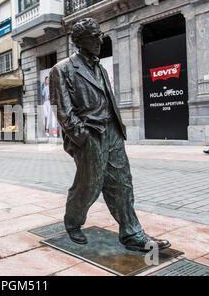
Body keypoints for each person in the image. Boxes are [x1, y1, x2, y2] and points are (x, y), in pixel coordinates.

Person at [49, 17, 170, 252]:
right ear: (79, 41)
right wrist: (81, 136)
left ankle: (132, 233)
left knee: (122, 183)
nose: (99, 39)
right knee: (90, 183)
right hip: (89, 134)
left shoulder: (100, 68)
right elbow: (61, 109)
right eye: (94, 35)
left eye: (99, 34)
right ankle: (73, 222)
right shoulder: (61, 69)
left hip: (112, 132)